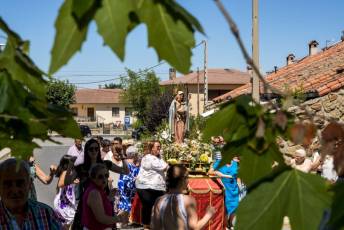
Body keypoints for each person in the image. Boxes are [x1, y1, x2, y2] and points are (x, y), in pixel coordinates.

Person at [64, 138, 129, 229]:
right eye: (91, 149)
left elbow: (125, 171)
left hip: (105, 200)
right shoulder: (81, 167)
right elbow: (67, 182)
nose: (94, 151)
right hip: (87, 204)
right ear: (86, 151)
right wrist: (70, 166)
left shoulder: (105, 164)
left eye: (96, 149)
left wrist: (122, 154)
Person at [0, 158, 62, 229]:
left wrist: (51, 173)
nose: (15, 190)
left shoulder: (47, 214)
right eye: (7, 184)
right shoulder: (10, 166)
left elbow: (45, 180)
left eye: (20, 183)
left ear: (29, 185)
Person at [151, 165, 216, 230]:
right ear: (183, 180)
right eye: (187, 177)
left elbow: (156, 227)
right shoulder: (188, 200)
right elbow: (194, 228)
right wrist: (209, 214)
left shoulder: (159, 200)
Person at [136, 140, 168, 229]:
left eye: (160, 147)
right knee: (148, 207)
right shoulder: (149, 158)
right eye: (157, 147)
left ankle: (153, 225)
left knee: (156, 207)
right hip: (146, 187)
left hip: (155, 187)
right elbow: (164, 167)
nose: (159, 149)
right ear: (151, 148)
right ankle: (147, 226)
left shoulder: (158, 158)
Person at [82, 163, 122, 230]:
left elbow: (101, 205)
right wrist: (119, 219)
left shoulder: (98, 190)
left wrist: (109, 198)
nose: (104, 179)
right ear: (93, 178)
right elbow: (101, 218)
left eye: (106, 175)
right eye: (100, 177)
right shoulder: (94, 193)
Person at [209, 157, 240, 229]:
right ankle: (224, 226)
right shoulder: (219, 162)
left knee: (235, 207)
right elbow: (209, 172)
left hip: (234, 189)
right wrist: (218, 174)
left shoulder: (236, 163)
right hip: (224, 189)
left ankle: (230, 224)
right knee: (224, 208)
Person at [54, 155, 79, 229]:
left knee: (66, 225)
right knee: (73, 217)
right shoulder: (65, 172)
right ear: (66, 164)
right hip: (63, 203)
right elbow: (60, 184)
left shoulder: (70, 172)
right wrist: (72, 181)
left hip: (66, 202)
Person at [117, 146, 140, 227]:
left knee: (126, 206)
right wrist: (135, 179)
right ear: (134, 154)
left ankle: (124, 223)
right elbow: (126, 178)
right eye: (137, 154)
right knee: (125, 205)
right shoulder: (127, 163)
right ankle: (118, 222)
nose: (138, 155)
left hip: (131, 188)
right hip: (125, 187)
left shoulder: (135, 163)